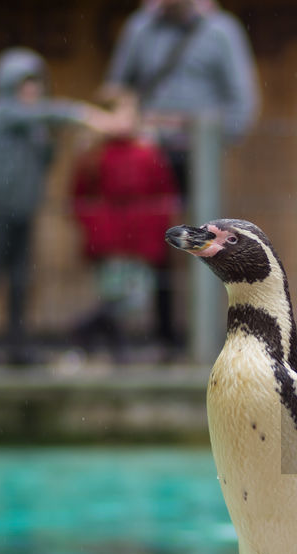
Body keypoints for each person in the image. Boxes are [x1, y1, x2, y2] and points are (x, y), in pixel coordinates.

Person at [105, 0, 259, 358]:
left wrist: (208, 140)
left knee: (207, 242)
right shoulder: (140, 28)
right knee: (152, 239)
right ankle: (159, 334)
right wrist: (136, 124)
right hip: (148, 154)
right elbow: (117, 89)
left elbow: (242, 103)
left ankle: (206, 338)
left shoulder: (221, 32)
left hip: (199, 157)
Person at [0, 48, 111, 367]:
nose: (31, 91)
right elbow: (47, 113)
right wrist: (82, 115)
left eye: (35, 84)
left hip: (23, 212)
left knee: (19, 281)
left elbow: (45, 160)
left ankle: (18, 348)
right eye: (24, 84)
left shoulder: (35, 126)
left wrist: (56, 139)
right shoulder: (3, 112)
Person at [69, 87, 179, 364]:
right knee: (113, 293)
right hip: (108, 239)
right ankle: (117, 351)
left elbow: (163, 193)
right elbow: (78, 197)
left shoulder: (146, 153)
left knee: (133, 297)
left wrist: (154, 229)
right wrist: (97, 226)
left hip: (140, 240)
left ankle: (86, 330)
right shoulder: (94, 155)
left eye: (130, 113)